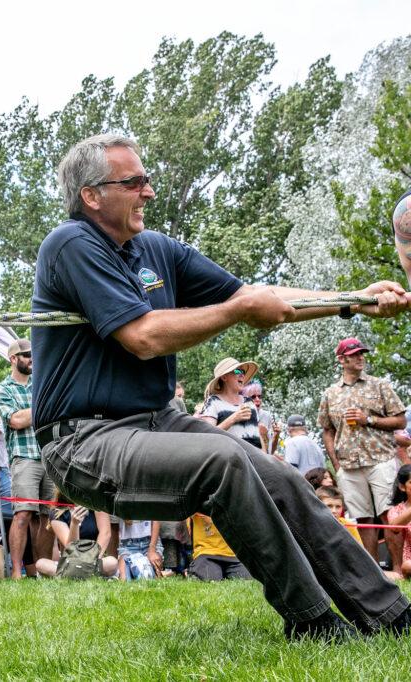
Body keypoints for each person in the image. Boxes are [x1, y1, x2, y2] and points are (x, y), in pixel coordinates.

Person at [32, 132, 411, 641]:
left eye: (148, 179)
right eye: (134, 181)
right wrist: (236, 313)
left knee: (280, 477)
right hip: (84, 441)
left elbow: (256, 297)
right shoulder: (71, 243)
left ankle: (390, 615)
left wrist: (352, 300)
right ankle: (312, 621)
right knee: (224, 461)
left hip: (156, 423)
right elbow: (142, 338)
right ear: (91, 196)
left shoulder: (154, 249)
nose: (148, 192)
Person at [318, 338, 405, 569]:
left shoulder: (379, 385)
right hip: (348, 465)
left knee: (389, 515)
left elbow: (400, 420)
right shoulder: (330, 393)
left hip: (381, 459)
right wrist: (336, 464)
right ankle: (374, 571)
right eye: (355, 354)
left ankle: (397, 569)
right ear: (342, 359)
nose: (360, 357)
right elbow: (327, 430)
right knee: (364, 518)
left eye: (362, 353)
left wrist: (369, 419)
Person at [0, 338, 53, 579]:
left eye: (33, 354)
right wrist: (44, 406)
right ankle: (17, 572)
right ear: (13, 359)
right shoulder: (2, 389)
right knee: (23, 514)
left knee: (48, 516)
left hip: (49, 456)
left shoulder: (41, 384)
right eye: (27, 354)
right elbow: (16, 421)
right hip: (23, 457)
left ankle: (44, 568)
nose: (32, 358)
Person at [199, 357, 262, 450]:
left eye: (243, 372)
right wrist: (234, 418)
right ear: (224, 377)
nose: (242, 375)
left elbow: (258, 436)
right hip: (232, 461)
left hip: (256, 460)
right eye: (237, 371)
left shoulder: (249, 402)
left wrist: (266, 458)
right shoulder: (213, 402)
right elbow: (207, 435)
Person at [188, 513, 251, 581]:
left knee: (246, 580)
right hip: (206, 553)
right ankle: (192, 570)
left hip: (234, 555)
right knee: (209, 580)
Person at [385, 465, 411, 578]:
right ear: (402, 487)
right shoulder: (396, 510)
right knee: (408, 566)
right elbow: (395, 527)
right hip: (409, 563)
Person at [243, 381, 280, 454]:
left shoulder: (266, 415)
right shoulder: (241, 415)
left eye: (259, 396)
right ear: (245, 399)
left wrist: (276, 435)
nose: (257, 399)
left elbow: (270, 451)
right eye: (253, 397)